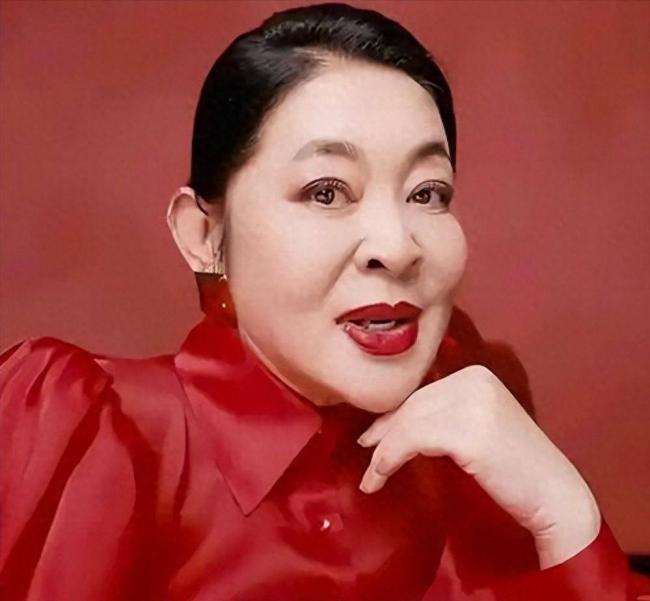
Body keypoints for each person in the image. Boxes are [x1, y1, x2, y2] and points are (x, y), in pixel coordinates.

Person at [0, 3, 647, 600]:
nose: (396, 247)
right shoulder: (106, 437)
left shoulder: (469, 422)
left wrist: (563, 510)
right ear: (204, 234)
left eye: (427, 192)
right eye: (327, 191)